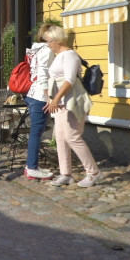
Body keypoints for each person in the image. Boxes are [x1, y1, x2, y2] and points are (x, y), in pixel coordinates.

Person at [43, 26, 101, 187]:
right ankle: (65, 174)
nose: (47, 45)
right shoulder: (59, 55)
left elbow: (70, 80)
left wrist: (56, 98)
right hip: (61, 103)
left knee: (72, 137)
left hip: (73, 102)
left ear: (57, 40)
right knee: (61, 139)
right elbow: (55, 79)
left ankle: (94, 172)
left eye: (48, 41)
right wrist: (51, 98)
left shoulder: (69, 55)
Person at [23, 24, 56, 180]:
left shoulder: (35, 49)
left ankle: (31, 165)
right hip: (39, 96)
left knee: (36, 132)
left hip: (32, 93)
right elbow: (43, 74)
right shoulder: (47, 51)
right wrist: (48, 96)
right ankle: (32, 167)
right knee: (36, 133)